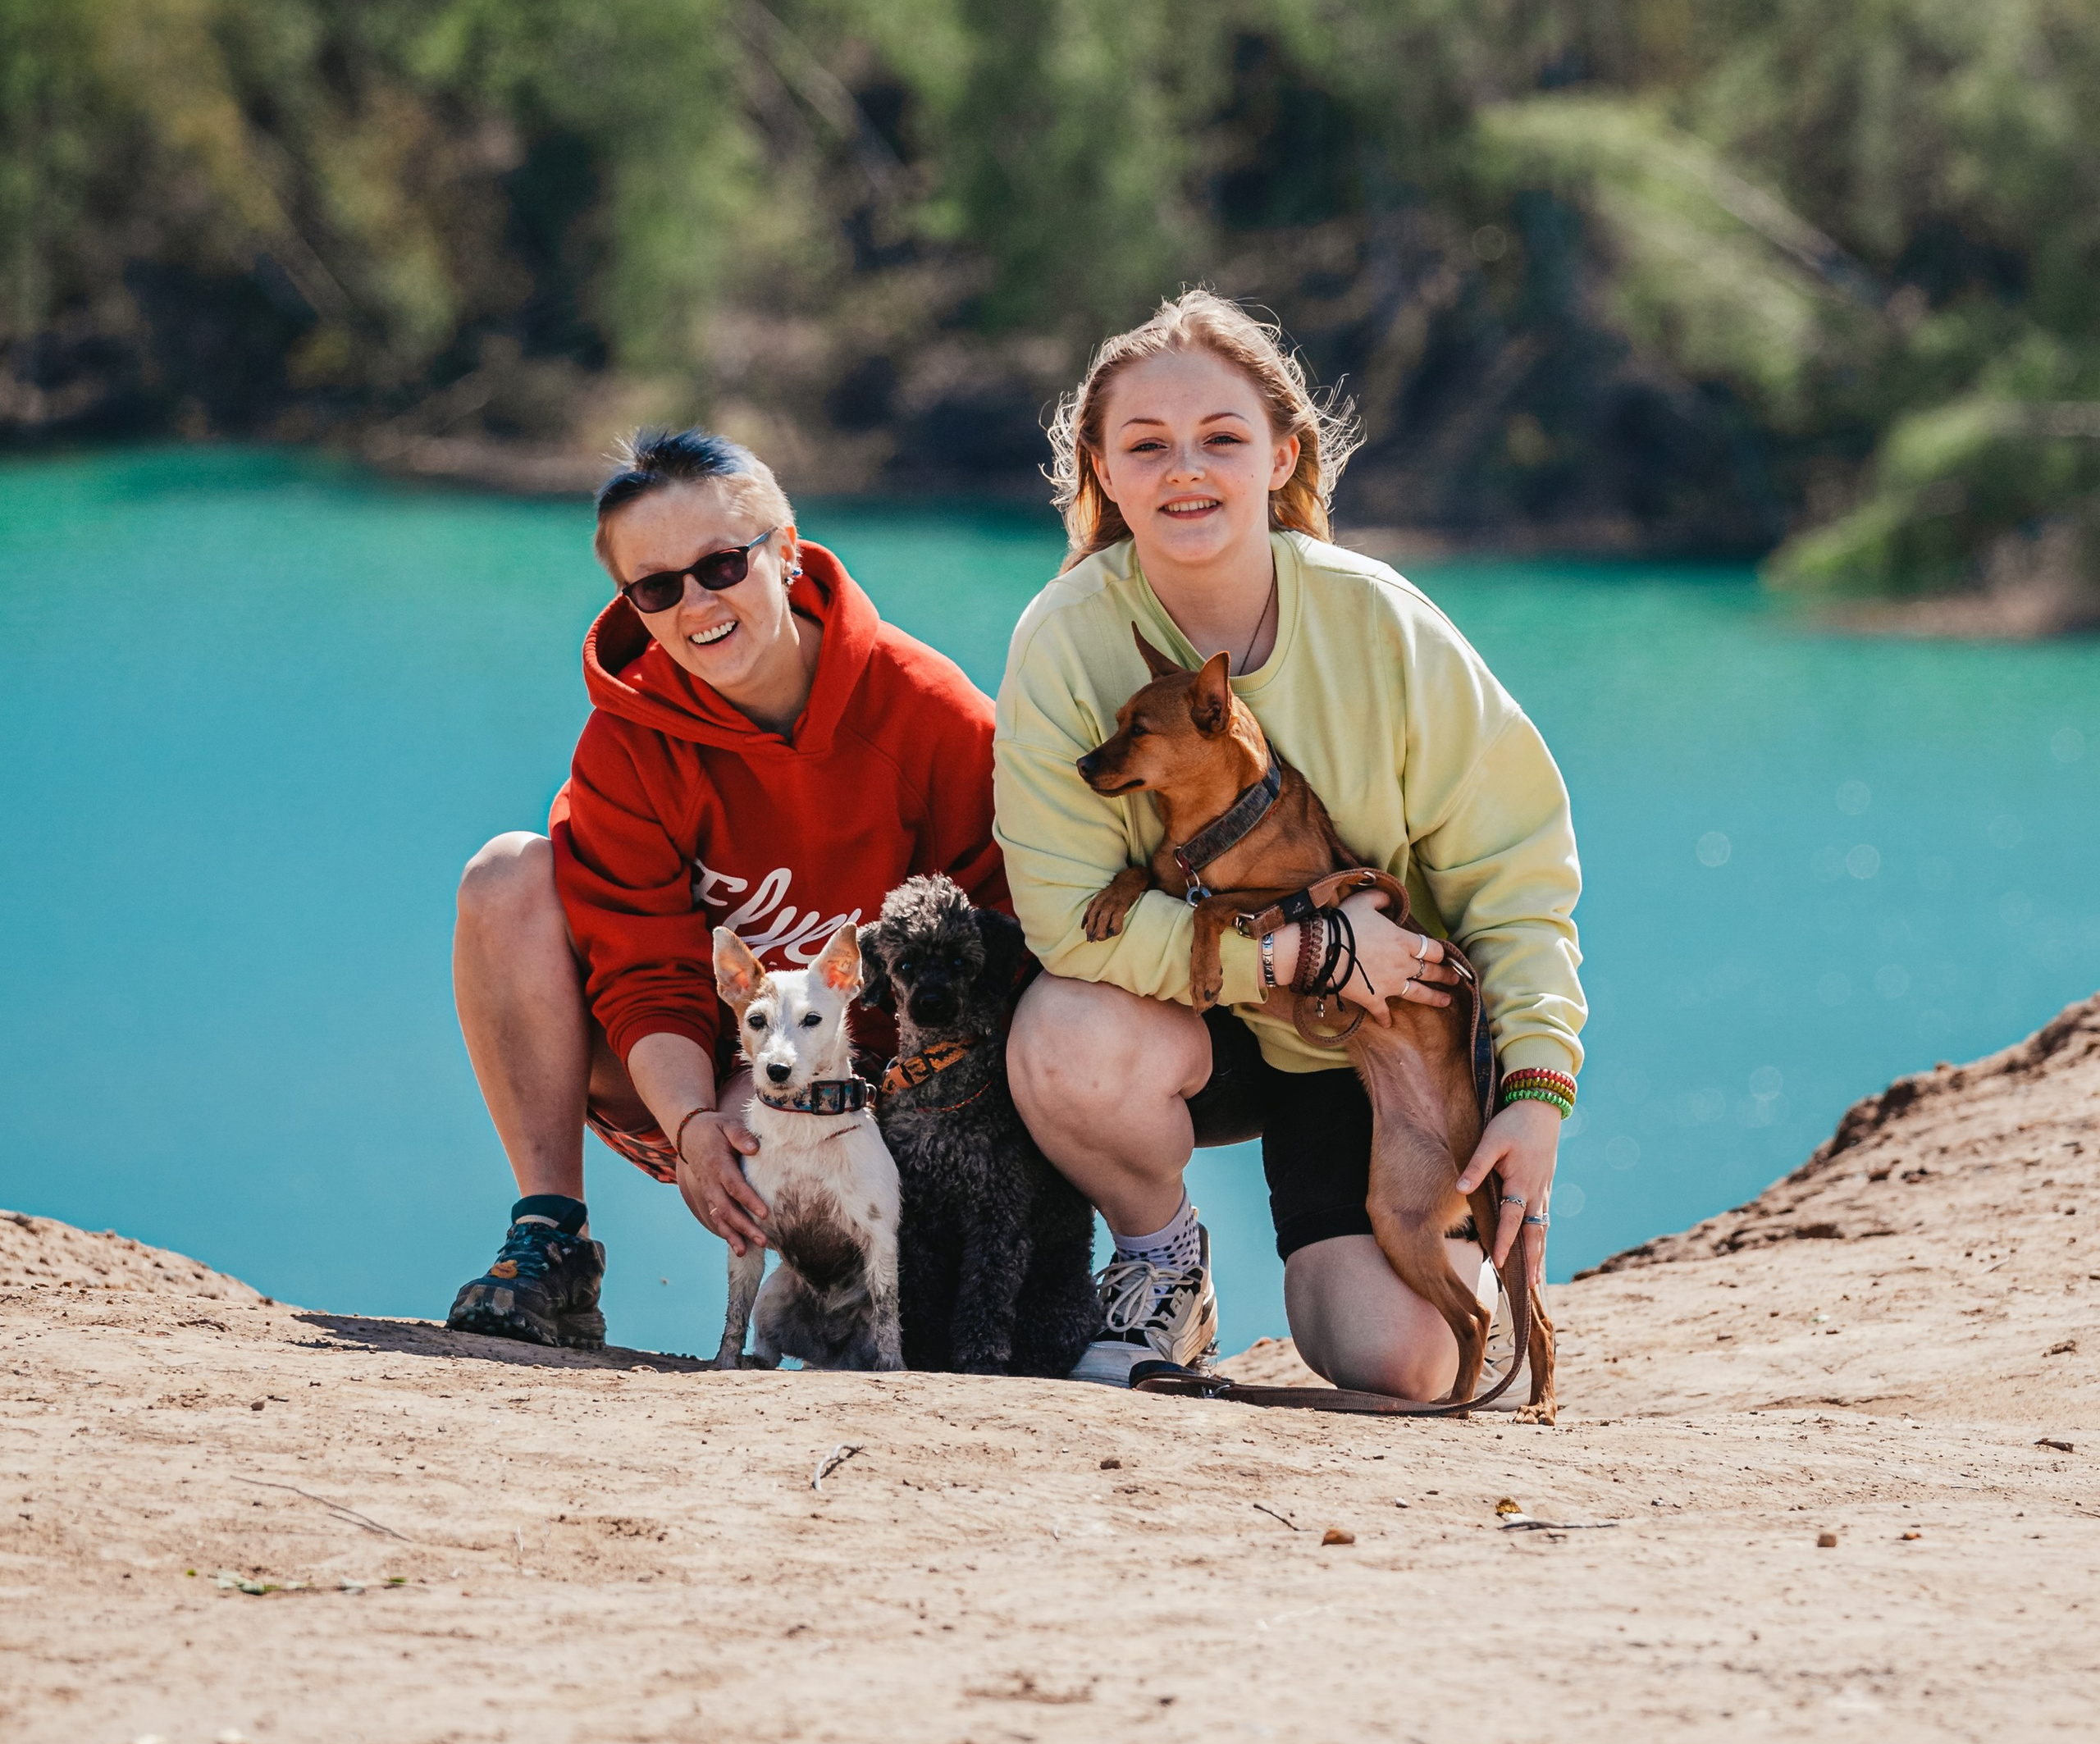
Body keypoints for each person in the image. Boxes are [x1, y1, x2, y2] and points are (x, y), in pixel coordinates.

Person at [994, 291, 1584, 1394]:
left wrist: (1537, 1090)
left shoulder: (1384, 627)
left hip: (1372, 1051)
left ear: (1281, 456)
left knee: (1403, 1361)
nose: (1186, 470)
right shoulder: (1065, 643)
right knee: (1059, 1033)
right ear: (1101, 471)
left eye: (1221, 438)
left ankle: (1445, 1272)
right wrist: (1291, 955)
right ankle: (1161, 1266)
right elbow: (1067, 914)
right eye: (1146, 444)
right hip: (1189, 1026)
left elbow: (1516, 871)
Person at [447, 428, 1007, 1348]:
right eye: (657, 587)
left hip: (873, 1087)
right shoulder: (628, 740)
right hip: (686, 1076)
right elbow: (644, 970)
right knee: (507, 875)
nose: (695, 603)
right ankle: (550, 1238)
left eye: (720, 565)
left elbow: (998, 940)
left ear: (785, 552)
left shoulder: (930, 714)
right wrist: (694, 1122)